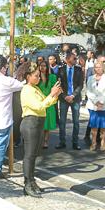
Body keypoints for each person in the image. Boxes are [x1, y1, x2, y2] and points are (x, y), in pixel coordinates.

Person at [20, 62, 62, 197]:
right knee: (29, 155)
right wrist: (51, 95)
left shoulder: (35, 89)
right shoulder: (26, 89)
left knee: (34, 155)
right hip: (30, 122)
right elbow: (38, 106)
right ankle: (27, 183)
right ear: (28, 76)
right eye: (36, 76)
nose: (39, 78)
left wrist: (54, 95)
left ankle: (32, 181)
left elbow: (46, 103)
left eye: (39, 76)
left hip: (38, 122)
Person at [56, 52, 84, 150]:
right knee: (62, 121)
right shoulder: (60, 70)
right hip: (64, 99)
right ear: (67, 59)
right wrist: (65, 96)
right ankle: (62, 142)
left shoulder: (79, 70)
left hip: (75, 98)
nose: (76, 60)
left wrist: (73, 95)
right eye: (74, 58)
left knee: (76, 121)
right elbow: (58, 84)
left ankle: (75, 142)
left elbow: (81, 84)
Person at [86, 60, 105, 151]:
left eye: (99, 67)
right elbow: (88, 91)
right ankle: (93, 142)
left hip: (104, 105)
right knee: (94, 125)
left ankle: (103, 142)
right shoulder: (90, 78)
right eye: (96, 67)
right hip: (93, 105)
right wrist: (96, 102)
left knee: (103, 125)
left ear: (103, 68)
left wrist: (101, 102)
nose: (98, 69)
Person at [37, 61, 58, 149]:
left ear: (47, 67)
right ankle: (39, 140)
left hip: (49, 102)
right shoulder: (36, 77)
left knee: (47, 124)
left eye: (44, 66)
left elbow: (55, 88)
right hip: (39, 102)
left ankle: (45, 141)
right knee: (39, 124)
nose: (42, 67)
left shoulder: (52, 77)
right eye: (41, 66)